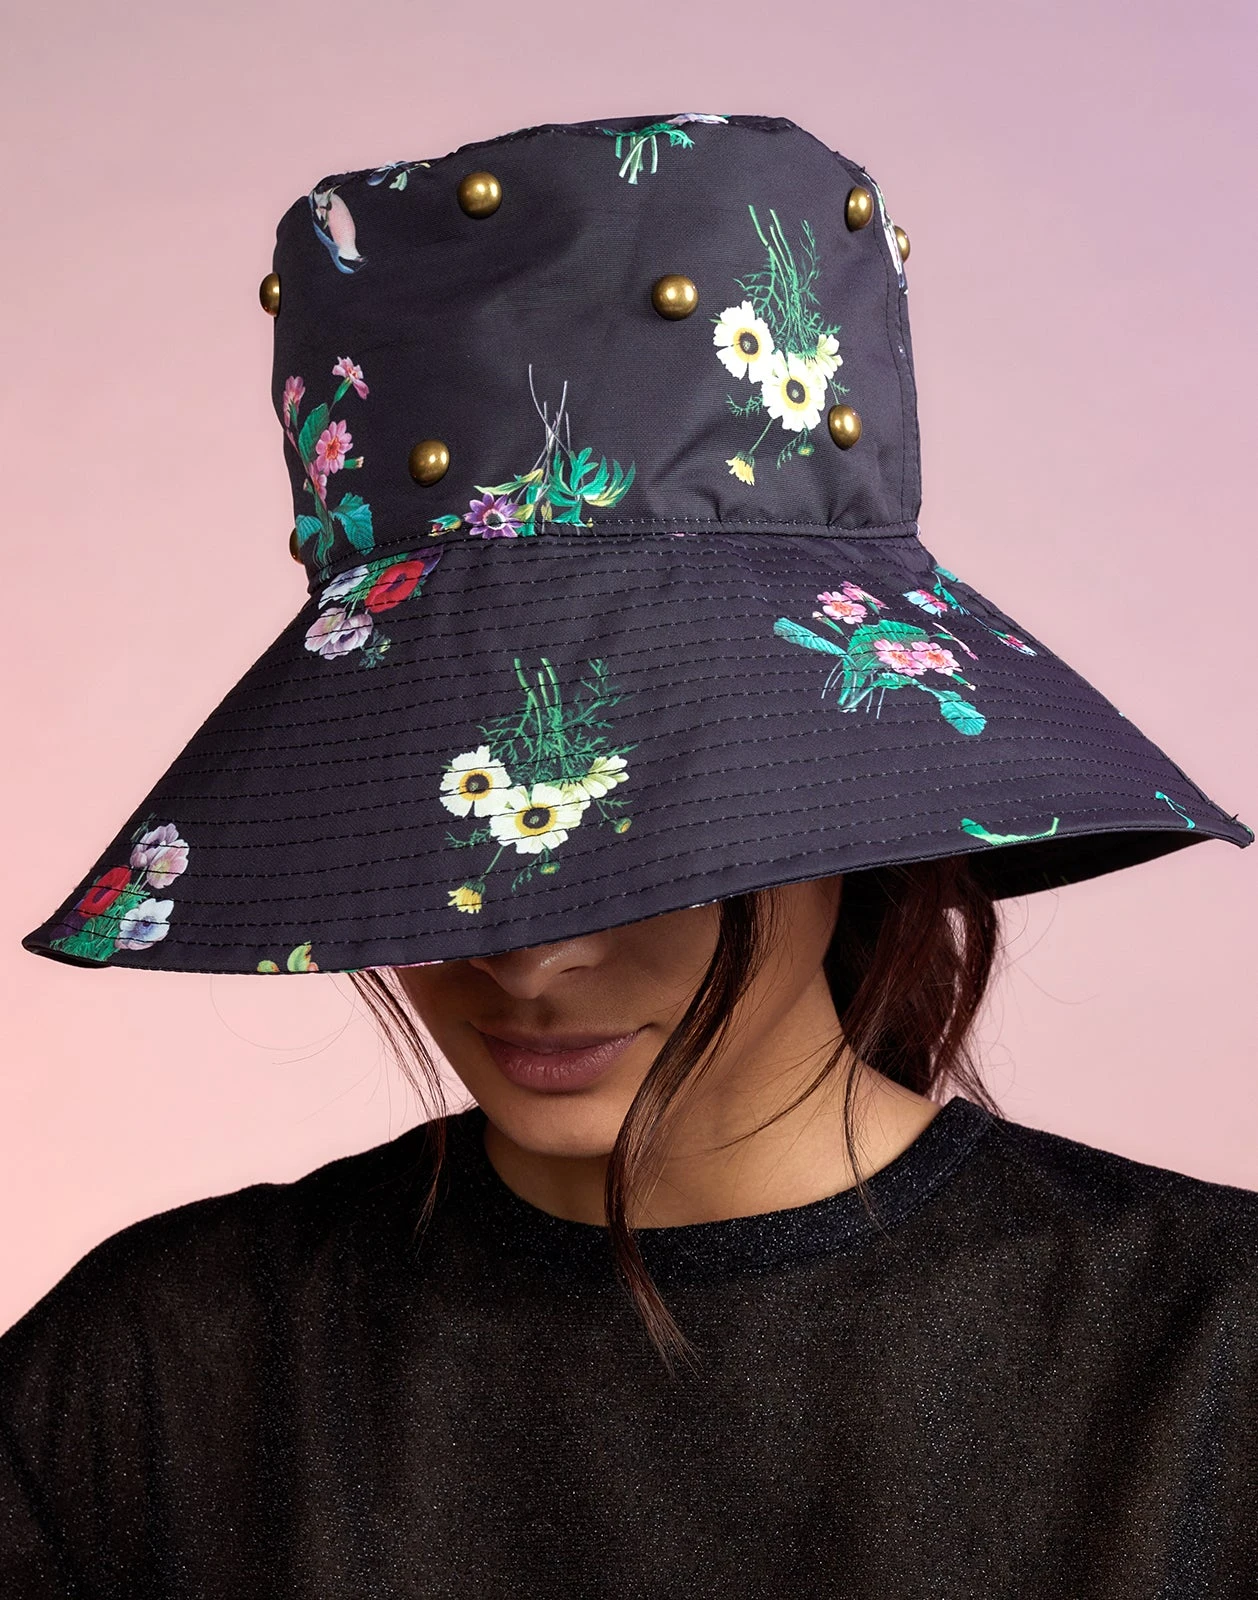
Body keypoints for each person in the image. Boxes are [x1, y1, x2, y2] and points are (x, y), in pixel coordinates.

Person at [2, 110, 1255, 1597]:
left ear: (835, 781)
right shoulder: (159, 1376)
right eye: (442, 813)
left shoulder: (1207, 1358)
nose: (533, 951)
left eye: (650, 823)